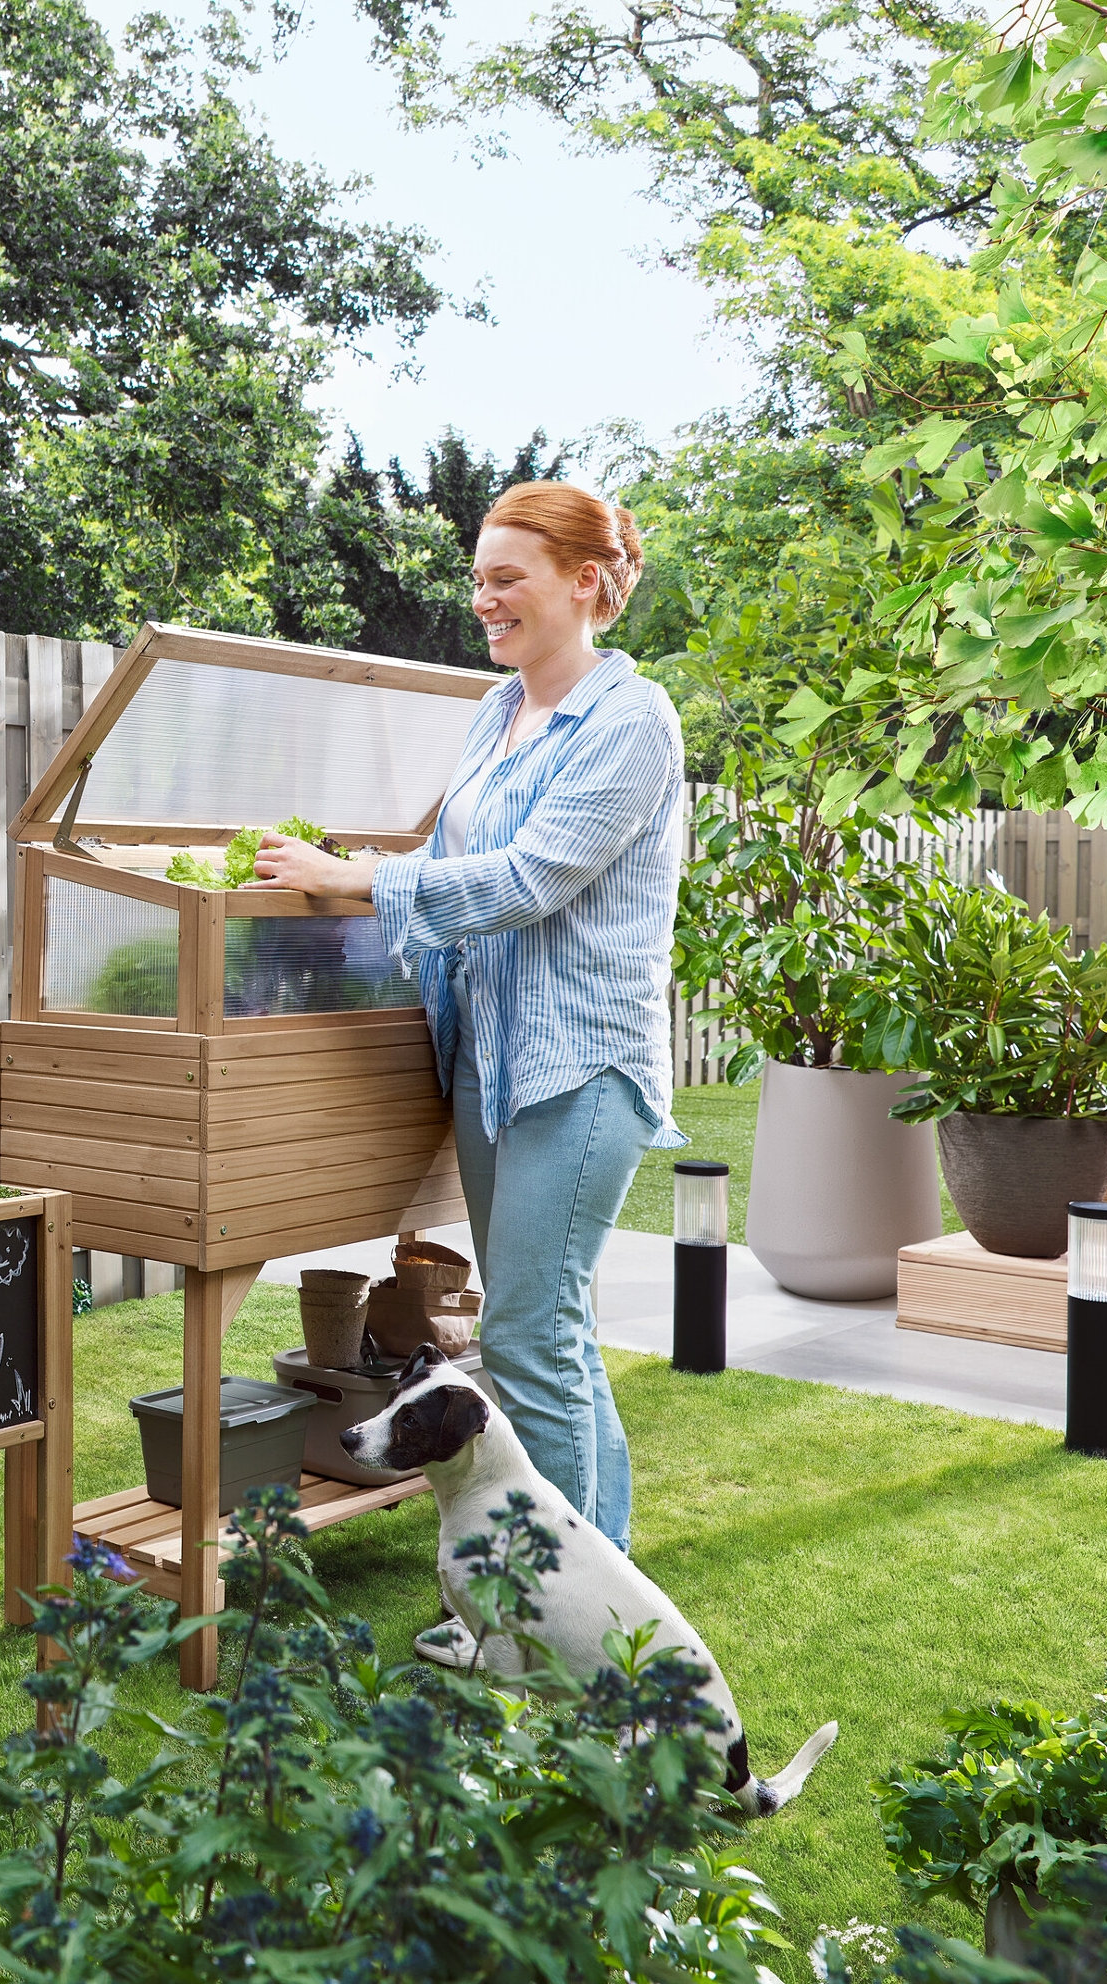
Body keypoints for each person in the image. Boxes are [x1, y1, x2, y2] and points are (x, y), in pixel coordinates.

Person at [254, 481, 683, 1660]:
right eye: (478, 578)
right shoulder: (498, 709)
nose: (482, 599)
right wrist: (348, 876)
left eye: (507, 578)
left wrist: (361, 882)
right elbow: (450, 857)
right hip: (491, 1065)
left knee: (533, 1334)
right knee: (549, 1330)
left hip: (578, 1068)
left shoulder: (630, 720)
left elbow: (528, 879)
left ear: (585, 583)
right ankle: (601, 1591)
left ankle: (557, 1624)